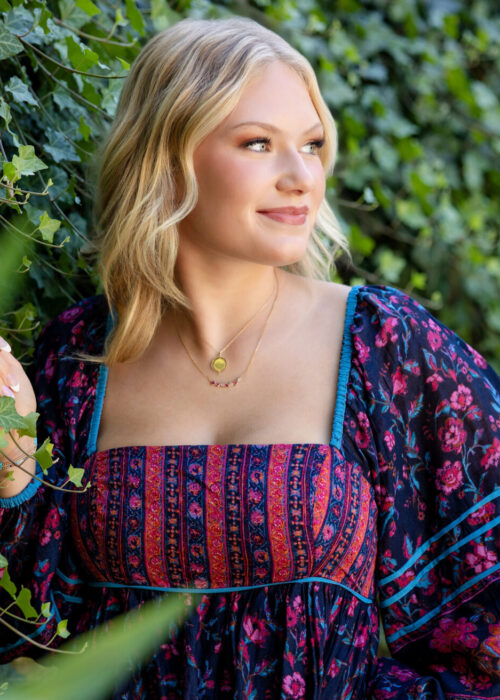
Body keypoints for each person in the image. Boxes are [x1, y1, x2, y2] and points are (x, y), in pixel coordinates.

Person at [0, 15, 499, 699]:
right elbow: (29, 641)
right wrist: (16, 479)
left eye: (313, 144)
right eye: (259, 143)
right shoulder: (75, 363)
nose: (301, 177)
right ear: (168, 158)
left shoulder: (386, 345)